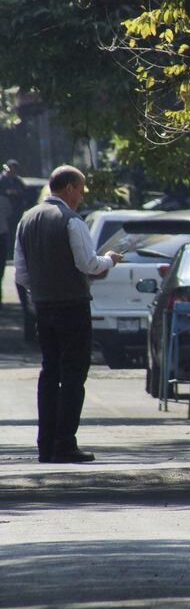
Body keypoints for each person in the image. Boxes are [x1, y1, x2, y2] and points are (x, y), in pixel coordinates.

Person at [13, 165, 123, 463]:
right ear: (69, 188)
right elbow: (88, 264)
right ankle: (65, 442)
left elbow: (21, 274)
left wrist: (44, 287)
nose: (82, 197)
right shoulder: (71, 221)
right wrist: (110, 260)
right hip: (72, 306)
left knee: (50, 373)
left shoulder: (27, 219)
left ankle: (45, 444)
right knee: (73, 375)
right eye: (81, 190)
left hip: (44, 307)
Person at [0, 159, 25, 300]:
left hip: (14, 217)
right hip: (5, 221)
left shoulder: (18, 181)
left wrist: (16, 193)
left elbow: (24, 194)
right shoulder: (2, 180)